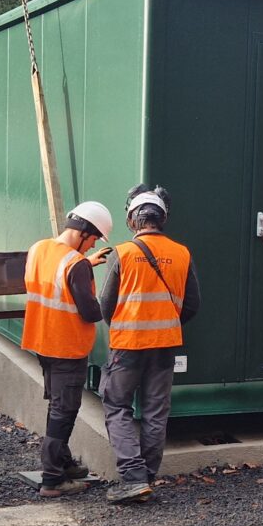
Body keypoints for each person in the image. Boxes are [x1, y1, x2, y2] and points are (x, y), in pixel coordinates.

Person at [99, 185, 200, 503]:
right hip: (165, 344)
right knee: (156, 411)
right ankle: (147, 478)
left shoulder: (124, 252)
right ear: (162, 219)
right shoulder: (182, 253)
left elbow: (105, 305)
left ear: (133, 220)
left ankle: (133, 477)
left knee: (117, 406)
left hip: (128, 344)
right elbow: (193, 304)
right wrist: (166, 324)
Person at [21, 201, 115, 498]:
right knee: (64, 410)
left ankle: (62, 462)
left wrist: (87, 264)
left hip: (42, 340)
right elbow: (90, 312)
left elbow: (53, 282)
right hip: (67, 347)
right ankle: (52, 479)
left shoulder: (39, 248)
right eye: (93, 240)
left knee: (58, 404)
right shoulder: (76, 264)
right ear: (85, 233)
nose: (91, 247)